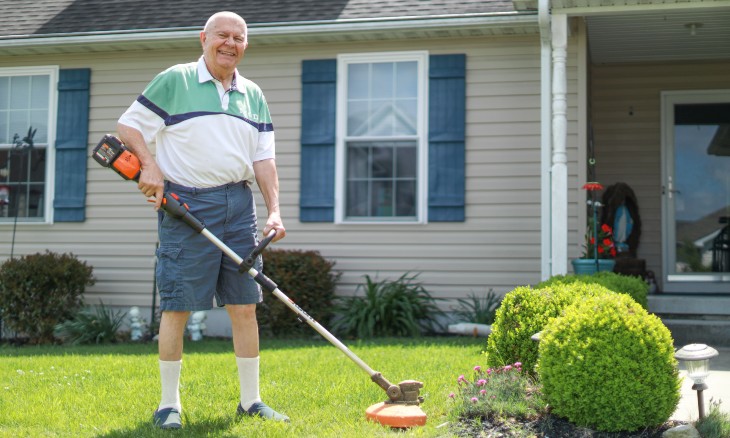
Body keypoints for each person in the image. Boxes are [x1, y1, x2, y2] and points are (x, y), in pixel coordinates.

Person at [116, 11, 288, 429]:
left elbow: (263, 159)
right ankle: (168, 405)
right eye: (222, 36)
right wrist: (151, 168)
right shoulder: (175, 80)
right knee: (178, 306)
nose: (230, 43)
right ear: (204, 38)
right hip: (186, 205)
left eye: (239, 37)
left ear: (246, 44)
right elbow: (128, 128)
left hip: (238, 206)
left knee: (244, 305)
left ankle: (251, 401)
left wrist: (275, 210)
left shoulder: (253, 94)